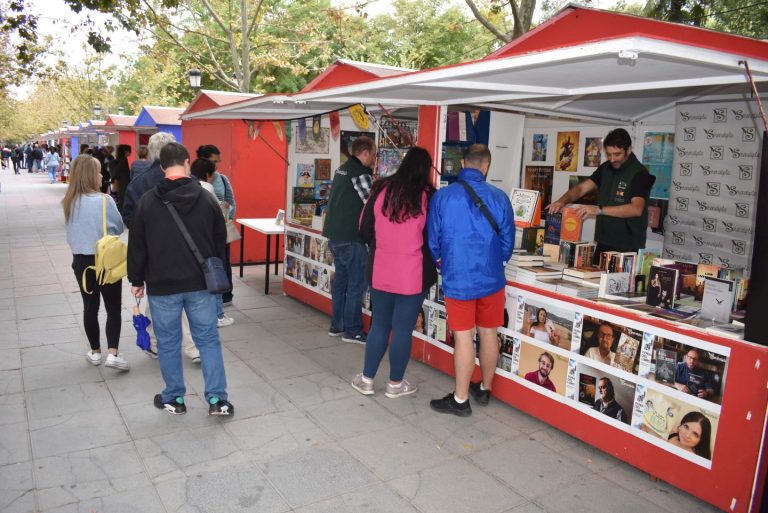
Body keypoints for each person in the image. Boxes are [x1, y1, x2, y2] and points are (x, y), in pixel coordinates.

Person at [127, 142, 233, 416]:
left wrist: (136, 280)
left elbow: (137, 245)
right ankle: (217, 400)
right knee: (207, 339)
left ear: (162, 167)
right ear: (187, 162)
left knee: (168, 342)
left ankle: (174, 398)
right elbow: (220, 240)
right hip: (201, 284)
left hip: (162, 287)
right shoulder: (207, 197)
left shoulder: (148, 201)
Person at [427, 144, 515, 417]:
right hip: (492, 279)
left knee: (464, 337)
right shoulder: (501, 198)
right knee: (489, 332)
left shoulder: (443, 197)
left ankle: (461, 399)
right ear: (486, 166)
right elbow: (507, 245)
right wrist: (491, 263)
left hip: (459, 278)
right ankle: (485, 388)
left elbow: (433, 241)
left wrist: (443, 262)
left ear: (463, 162)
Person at [351, 147, 437, 398]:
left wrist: (379, 247)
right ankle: (395, 385)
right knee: (402, 330)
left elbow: (363, 227)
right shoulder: (429, 196)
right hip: (413, 273)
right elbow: (434, 235)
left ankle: (367, 379)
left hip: (381, 269)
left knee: (379, 324)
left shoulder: (380, 188)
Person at [122, 132, 201, 362]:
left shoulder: (139, 182)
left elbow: (129, 218)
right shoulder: (190, 180)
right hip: (187, 250)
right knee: (187, 299)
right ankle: (192, 347)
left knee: (158, 299)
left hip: (154, 252)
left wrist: (136, 274)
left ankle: (156, 343)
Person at [546, 128, 656, 263]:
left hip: (627, 246)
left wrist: (599, 210)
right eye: (609, 154)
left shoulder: (640, 174)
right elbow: (581, 188)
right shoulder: (606, 168)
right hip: (604, 240)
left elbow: (636, 209)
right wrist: (561, 201)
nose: (612, 159)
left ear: (629, 150)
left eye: (617, 154)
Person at [62, 155, 129, 370]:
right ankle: (113, 353)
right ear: (92, 175)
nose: (103, 175)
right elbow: (118, 228)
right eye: (99, 172)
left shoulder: (69, 201)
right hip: (105, 260)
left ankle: (95, 351)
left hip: (81, 262)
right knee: (113, 308)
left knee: (89, 307)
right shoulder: (104, 200)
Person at [322, 136, 377, 344]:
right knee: (356, 284)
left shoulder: (342, 169)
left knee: (341, 282)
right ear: (364, 153)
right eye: (373, 154)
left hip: (335, 236)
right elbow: (372, 205)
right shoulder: (361, 173)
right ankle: (353, 330)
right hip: (350, 238)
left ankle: (338, 325)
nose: (374, 158)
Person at [190, 157, 235, 328]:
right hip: (210, 240)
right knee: (215, 275)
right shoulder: (207, 188)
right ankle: (218, 315)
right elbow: (218, 215)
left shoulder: (189, 186)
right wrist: (226, 208)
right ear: (208, 174)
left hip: (194, 240)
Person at [196, 145, 236, 304]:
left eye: (218, 161)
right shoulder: (191, 179)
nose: (217, 165)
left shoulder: (223, 179)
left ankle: (226, 294)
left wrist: (227, 215)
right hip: (202, 231)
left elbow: (231, 201)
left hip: (220, 230)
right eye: (214, 161)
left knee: (223, 262)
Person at [110, 145, 131, 211]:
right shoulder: (123, 159)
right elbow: (117, 170)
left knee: (121, 199)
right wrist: (113, 179)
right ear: (125, 151)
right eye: (129, 151)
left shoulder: (119, 159)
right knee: (122, 199)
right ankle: (121, 215)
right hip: (123, 182)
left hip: (121, 182)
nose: (130, 153)